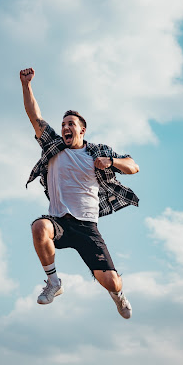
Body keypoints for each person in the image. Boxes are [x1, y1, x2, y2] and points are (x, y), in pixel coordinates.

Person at [20, 67, 139, 319]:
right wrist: (26, 85)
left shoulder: (96, 151)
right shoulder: (53, 145)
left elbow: (133, 166)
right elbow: (34, 116)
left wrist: (111, 161)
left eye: (70, 124)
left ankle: (118, 295)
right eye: (63, 124)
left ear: (82, 130)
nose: (65, 127)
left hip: (87, 226)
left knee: (112, 282)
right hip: (59, 221)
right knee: (39, 227)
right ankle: (54, 283)